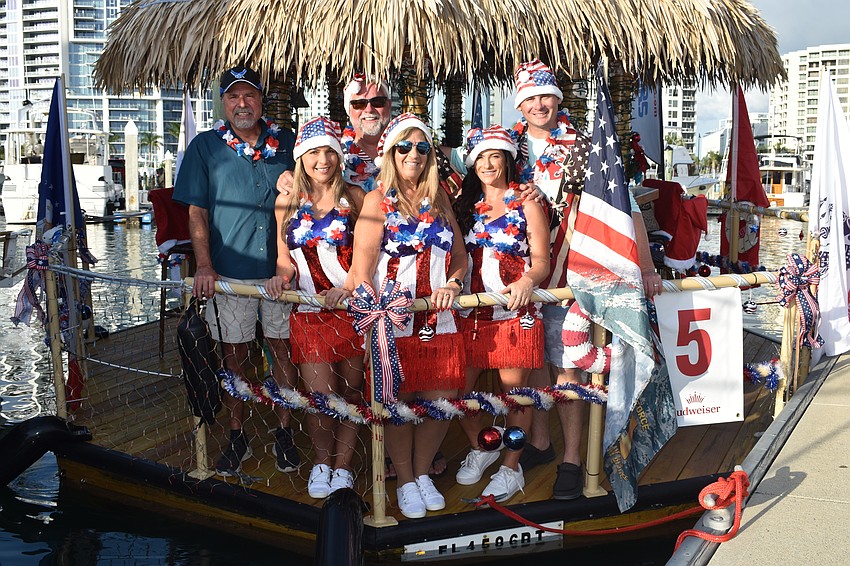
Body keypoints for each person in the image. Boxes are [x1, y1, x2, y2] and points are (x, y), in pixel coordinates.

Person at [507, 59, 663, 500]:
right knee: (532, 367)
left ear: (558, 99)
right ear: (520, 105)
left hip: (568, 278)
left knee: (567, 368)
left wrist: (647, 266)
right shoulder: (505, 148)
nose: (539, 104)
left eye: (546, 95)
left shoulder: (585, 148)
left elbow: (625, 208)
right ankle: (539, 444)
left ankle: (572, 461)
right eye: (530, 97)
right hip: (515, 280)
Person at [173, 66, 300, 477]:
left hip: (283, 272)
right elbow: (197, 212)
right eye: (233, 97)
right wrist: (204, 266)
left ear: (261, 101)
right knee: (234, 354)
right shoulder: (205, 147)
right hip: (230, 273)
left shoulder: (289, 143)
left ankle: (284, 432)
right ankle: (237, 433)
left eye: (249, 96)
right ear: (223, 103)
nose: (242, 104)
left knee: (284, 351)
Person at [349, 113, 467, 519]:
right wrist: (374, 315)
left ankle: (420, 475)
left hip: (440, 321)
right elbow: (361, 270)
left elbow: (462, 258)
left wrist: (452, 282)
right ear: (390, 153)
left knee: (440, 400)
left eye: (421, 147)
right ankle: (403, 478)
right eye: (404, 146)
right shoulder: (375, 201)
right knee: (398, 402)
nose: (413, 154)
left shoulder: (439, 199)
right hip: (394, 322)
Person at [267, 117, 366, 498]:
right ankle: (322, 462)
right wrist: (280, 276)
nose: (322, 159)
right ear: (301, 158)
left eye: (329, 151)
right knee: (320, 397)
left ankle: (343, 467)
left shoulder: (356, 198)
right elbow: (284, 258)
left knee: (352, 393)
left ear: (340, 156)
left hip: (353, 311)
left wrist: (348, 286)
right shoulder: (286, 201)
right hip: (308, 312)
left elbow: (368, 258)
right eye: (313, 152)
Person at [452, 126, 550, 503]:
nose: (489, 164)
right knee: (459, 390)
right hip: (470, 314)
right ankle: (483, 447)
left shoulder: (527, 203)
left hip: (514, 313)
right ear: (472, 162)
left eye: (496, 156)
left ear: (508, 161)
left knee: (516, 396)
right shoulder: (461, 203)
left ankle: (511, 466)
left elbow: (541, 259)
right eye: (482, 157)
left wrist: (528, 279)